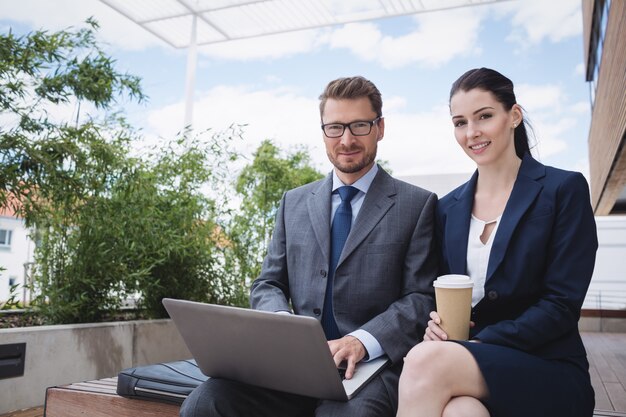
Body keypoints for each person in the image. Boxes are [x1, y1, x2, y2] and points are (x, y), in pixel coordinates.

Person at [180, 75, 438, 417]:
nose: (346, 140)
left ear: (380, 128)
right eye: (334, 128)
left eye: (359, 125)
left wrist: (362, 341)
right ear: (323, 132)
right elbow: (268, 283)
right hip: (292, 370)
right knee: (206, 402)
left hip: (370, 371)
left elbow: (421, 298)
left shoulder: (417, 205)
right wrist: (281, 325)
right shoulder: (294, 203)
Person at [396, 68, 598, 417]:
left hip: (548, 365)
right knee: (462, 412)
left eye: (484, 116)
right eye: (460, 122)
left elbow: (561, 305)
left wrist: (475, 345)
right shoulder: (446, 209)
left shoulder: (563, 190)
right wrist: (437, 325)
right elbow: (445, 290)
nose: (471, 132)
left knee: (424, 361)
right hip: (470, 363)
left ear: (513, 116)